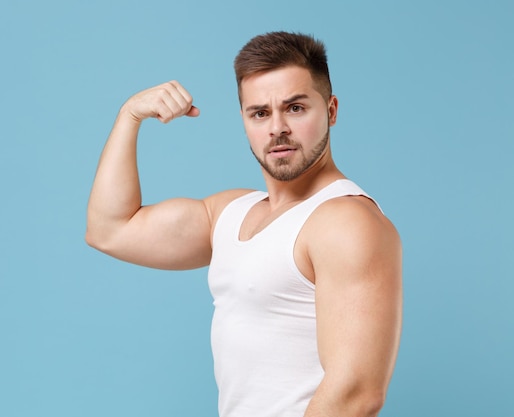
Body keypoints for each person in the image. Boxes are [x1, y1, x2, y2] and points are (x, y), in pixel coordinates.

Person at [86, 31, 402, 417]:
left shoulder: (346, 221)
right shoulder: (230, 213)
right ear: (244, 120)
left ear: (331, 111)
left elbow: (357, 393)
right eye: (260, 113)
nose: (277, 128)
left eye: (296, 108)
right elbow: (109, 229)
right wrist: (130, 115)